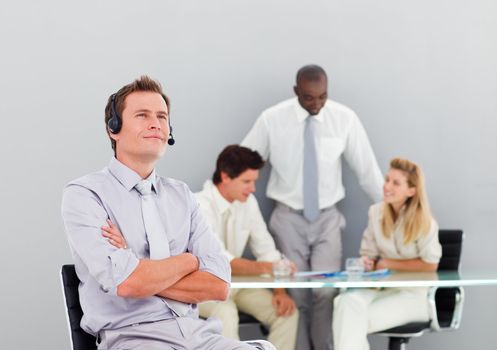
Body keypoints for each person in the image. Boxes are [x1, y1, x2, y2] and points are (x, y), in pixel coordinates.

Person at [61, 76, 274, 350]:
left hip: (197, 336)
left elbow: (219, 285)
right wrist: (189, 261)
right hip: (134, 338)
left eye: (162, 116)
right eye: (142, 115)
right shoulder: (85, 194)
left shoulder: (182, 195)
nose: (155, 123)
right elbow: (126, 284)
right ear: (113, 128)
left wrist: (137, 266)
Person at [241, 64, 384, 350]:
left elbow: (367, 171)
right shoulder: (272, 119)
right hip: (288, 216)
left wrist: (392, 211)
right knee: (297, 295)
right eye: (309, 98)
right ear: (296, 92)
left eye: (322, 97)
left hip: (327, 218)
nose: (316, 104)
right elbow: (243, 163)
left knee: (326, 292)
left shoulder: (344, 119)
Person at [195, 145, 299, 349]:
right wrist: (268, 268)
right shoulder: (199, 205)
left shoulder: (248, 202)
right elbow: (221, 261)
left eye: (254, 182)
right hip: (206, 288)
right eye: (246, 181)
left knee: (287, 313)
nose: (252, 188)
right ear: (225, 177)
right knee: (225, 312)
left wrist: (280, 293)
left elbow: (266, 250)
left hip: (238, 285)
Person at [332, 158, 442, 350]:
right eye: (387, 180)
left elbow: (431, 264)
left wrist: (387, 263)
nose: (387, 186)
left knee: (351, 319)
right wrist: (367, 261)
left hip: (412, 296)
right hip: (379, 289)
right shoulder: (376, 213)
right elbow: (368, 253)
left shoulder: (424, 222)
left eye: (395, 183)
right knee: (345, 301)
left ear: (411, 191)